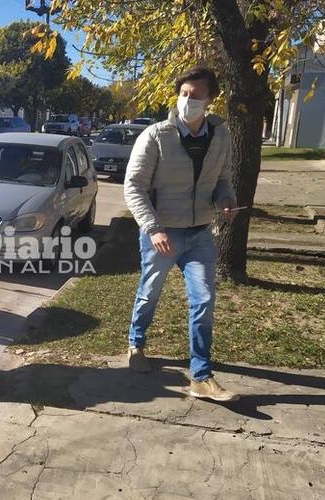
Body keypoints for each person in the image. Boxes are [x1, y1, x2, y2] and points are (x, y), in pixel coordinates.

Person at [123, 67, 239, 401]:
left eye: (196, 95)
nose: (188, 100)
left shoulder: (221, 135)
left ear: (210, 100)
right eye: (184, 94)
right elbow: (134, 188)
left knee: (203, 299)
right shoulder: (156, 136)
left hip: (200, 233)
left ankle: (201, 376)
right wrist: (154, 228)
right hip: (162, 233)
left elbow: (222, 180)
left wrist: (226, 201)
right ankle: (136, 344)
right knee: (150, 292)